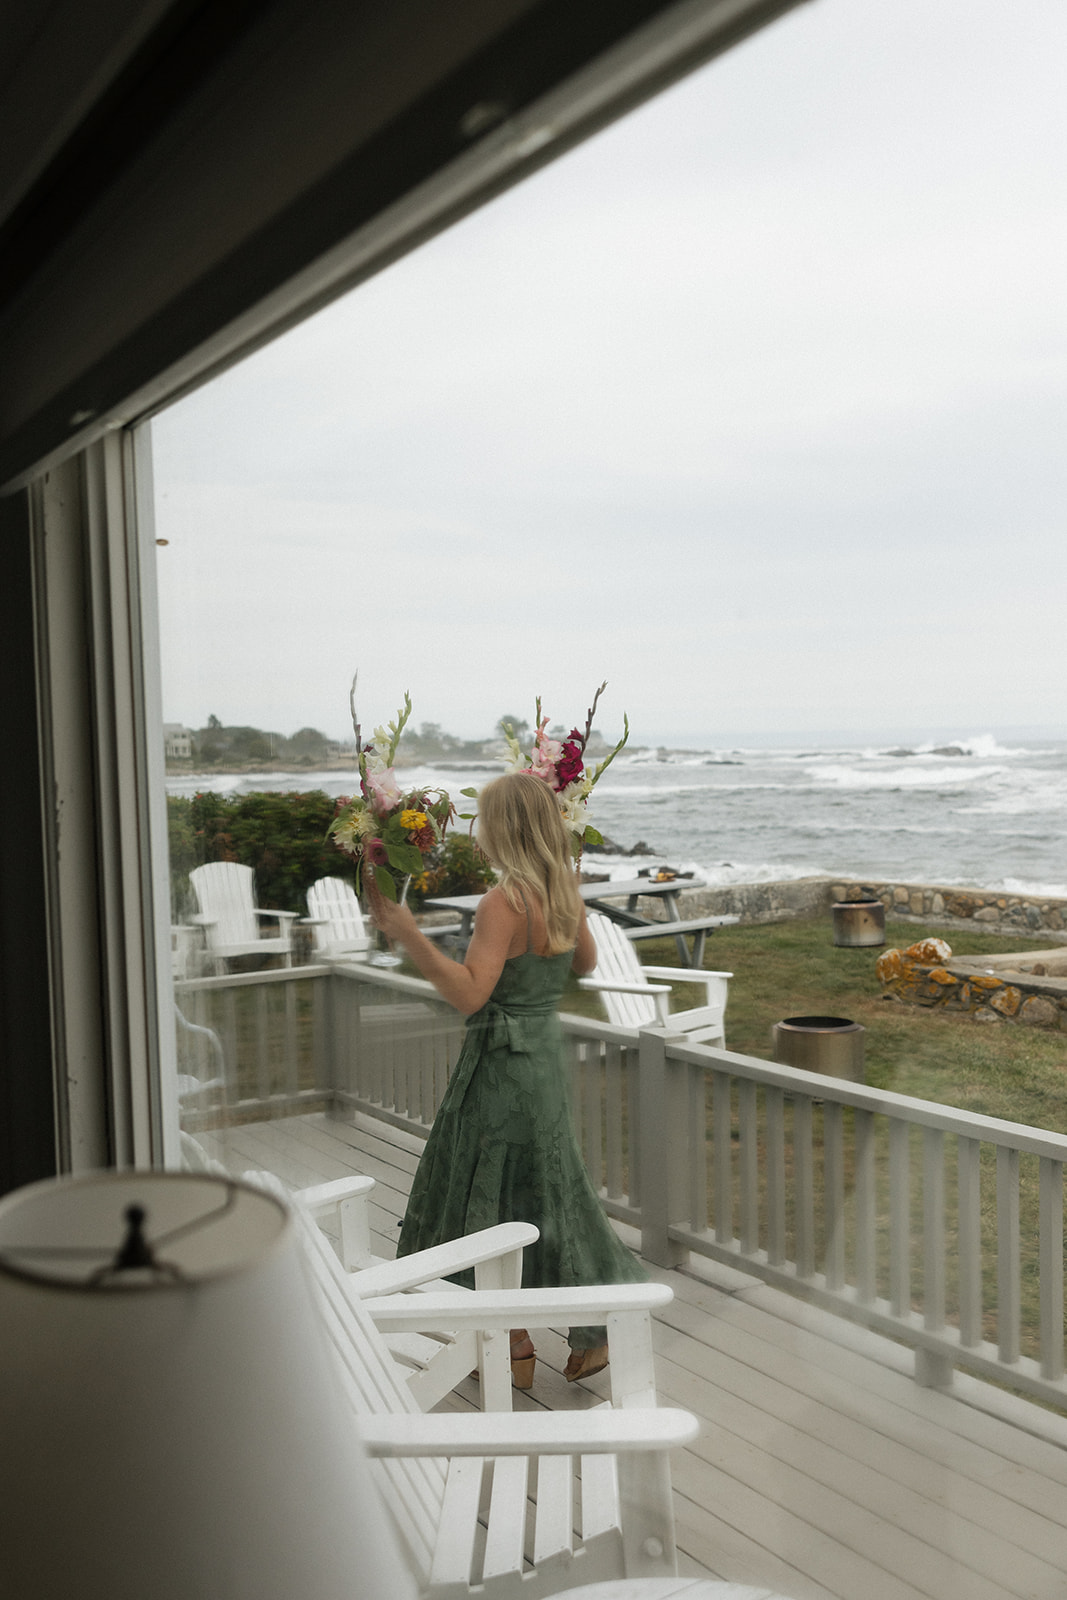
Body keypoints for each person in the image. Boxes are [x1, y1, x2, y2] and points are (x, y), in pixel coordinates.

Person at [367, 769, 648, 1387]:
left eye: (483, 822)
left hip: (501, 1066)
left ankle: (512, 1340)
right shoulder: (562, 891)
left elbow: (471, 994)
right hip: (542, 1057)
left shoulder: (504, 902)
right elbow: (586, 961)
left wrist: (410, 935)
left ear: (503, 829)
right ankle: (553, 1331)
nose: (477, 833)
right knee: (545, 1188)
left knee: (486, 1191)